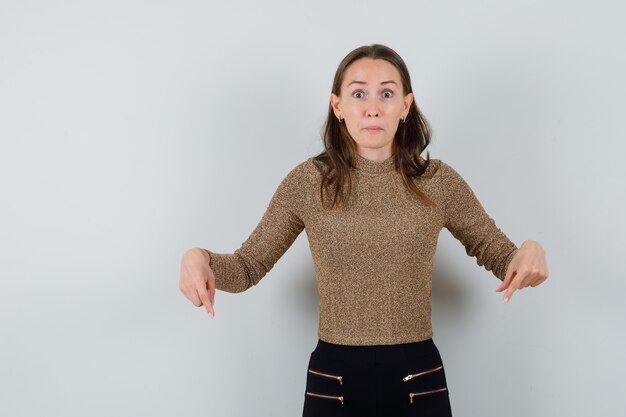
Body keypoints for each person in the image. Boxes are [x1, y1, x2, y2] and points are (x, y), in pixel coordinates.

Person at [179, 44, 549, 417]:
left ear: (405, 105)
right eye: (359, 93)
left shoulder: (438, 182)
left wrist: (529, 249)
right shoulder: (309, 182)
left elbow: (500, 254)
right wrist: (200, 259)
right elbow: (247, 267)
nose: (373, 107)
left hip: (417, 379)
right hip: (334, 379)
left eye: (386, 93)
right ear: (338, 106)